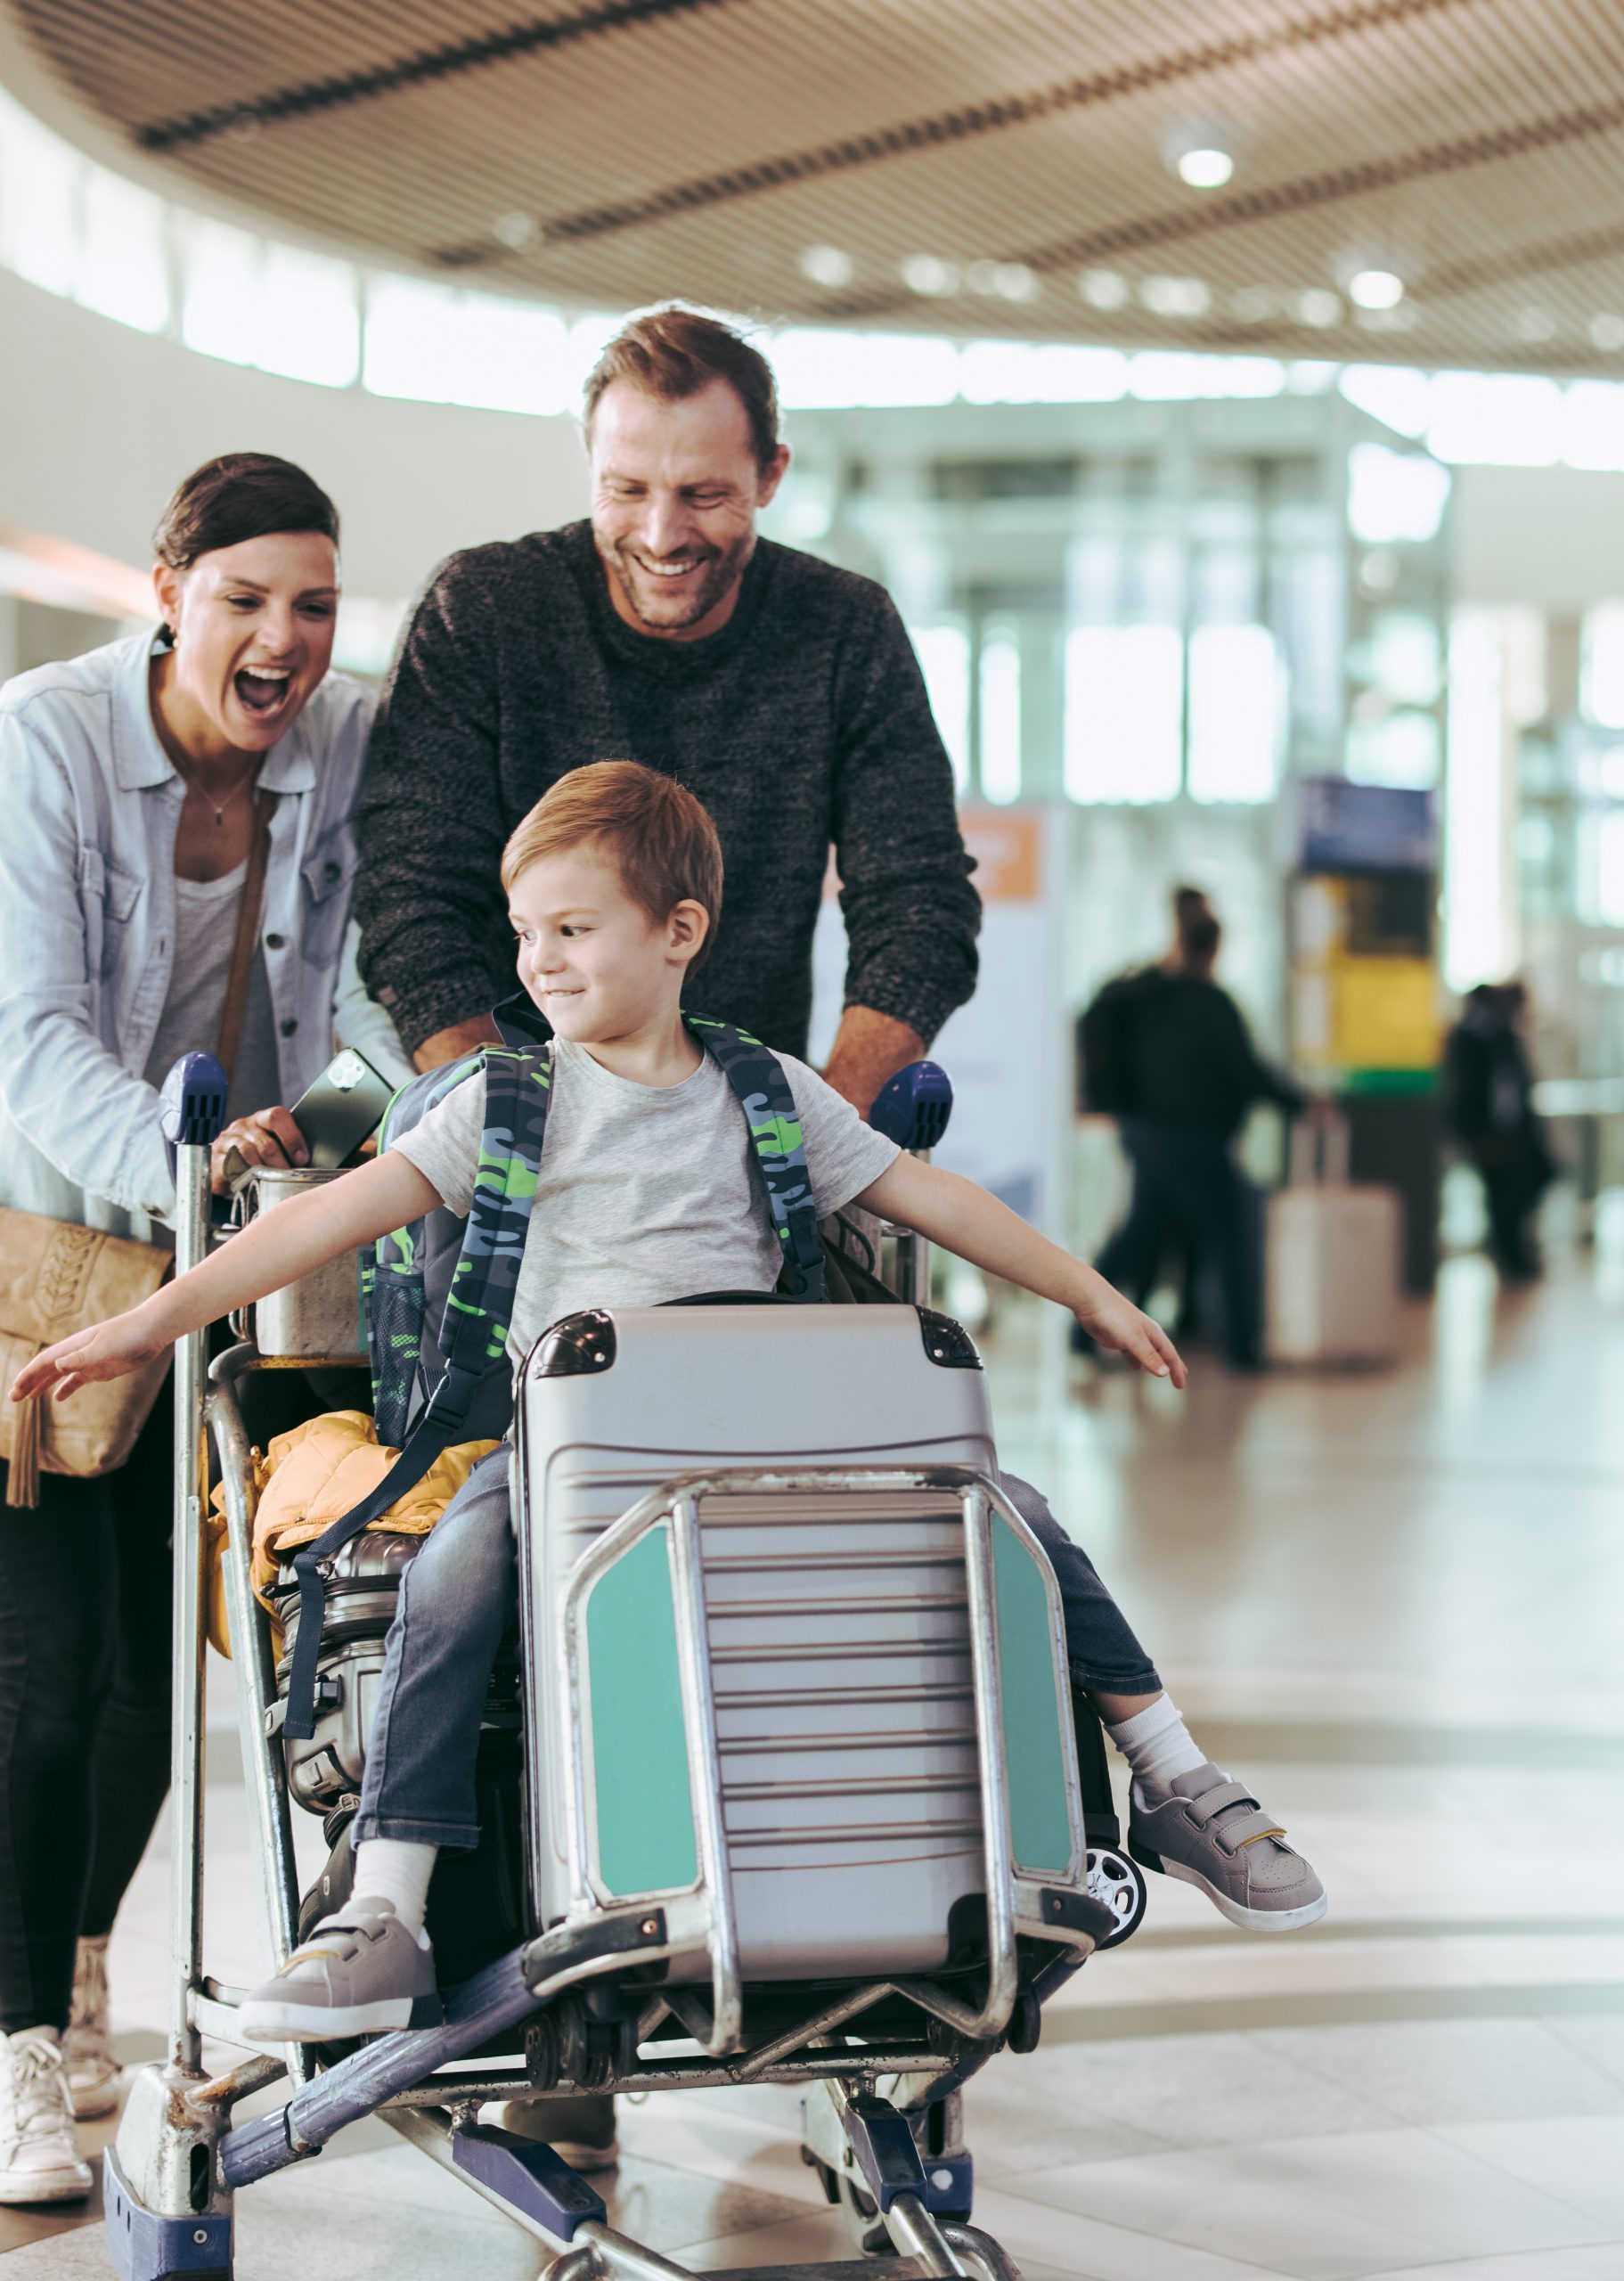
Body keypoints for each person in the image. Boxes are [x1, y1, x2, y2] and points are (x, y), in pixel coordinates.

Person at [9, 765, 1327, 2057]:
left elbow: (942, 1206)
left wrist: (1091, 1292)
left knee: (1017, 1520)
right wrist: (137, 1324)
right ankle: (386, 1909)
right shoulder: (503, 1104)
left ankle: (1175, 1780)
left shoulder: (766, 1095)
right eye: (526, 933)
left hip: (763, 1447)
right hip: (568, 1449)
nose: (540, 963)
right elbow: (314, 1225)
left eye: (573, 929)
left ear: (679, 933)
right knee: (455, 1571)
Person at [0, 454, 405, 2203]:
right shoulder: (45, 741)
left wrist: (321, 1141)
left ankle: (84, 1973)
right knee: (37, 1674)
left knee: (158, 1690)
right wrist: (184, 1168)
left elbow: (374, 980)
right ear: (169, 585)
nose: (282, 637)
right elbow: (22, 1035)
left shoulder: (343, 745)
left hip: (215, 1269)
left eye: (311, 603)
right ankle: (16, 2048)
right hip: (34, 1258)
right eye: (244, 596)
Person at [353, 302, 980, 1113]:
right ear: (590, 466)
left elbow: (920, 902)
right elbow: (410, 898)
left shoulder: (845, 630)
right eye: (627, 489)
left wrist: (821, 1132)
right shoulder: (482, 609)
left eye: (704, 494)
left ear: (770, 475)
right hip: (504, 1136)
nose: (661, 533)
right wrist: (512, 1122)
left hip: (752, 1142)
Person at [1081, 891, 1305, 1371]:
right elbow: (1247, 1071)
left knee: (1143, 1232)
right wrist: (1301, 1103)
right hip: (1192, 1138)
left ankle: (1080, 1331)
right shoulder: (1207, 1003)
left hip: (1145, 1132)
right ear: (1213, 949)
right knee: (1229, 1234)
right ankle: (1244, 1350)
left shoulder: (1142, 994)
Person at [1443, 982, 1557, 1282]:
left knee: (1534, 1179)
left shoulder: (1504, 1036)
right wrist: (1476, 1135)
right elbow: (1462, 1093)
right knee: (1501, 1196)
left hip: (1514, 1132)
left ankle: (1516, 1252)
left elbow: (1518, 1088)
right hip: (1488, 1134)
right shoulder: (1469, 1038)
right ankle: (1510, 1256)